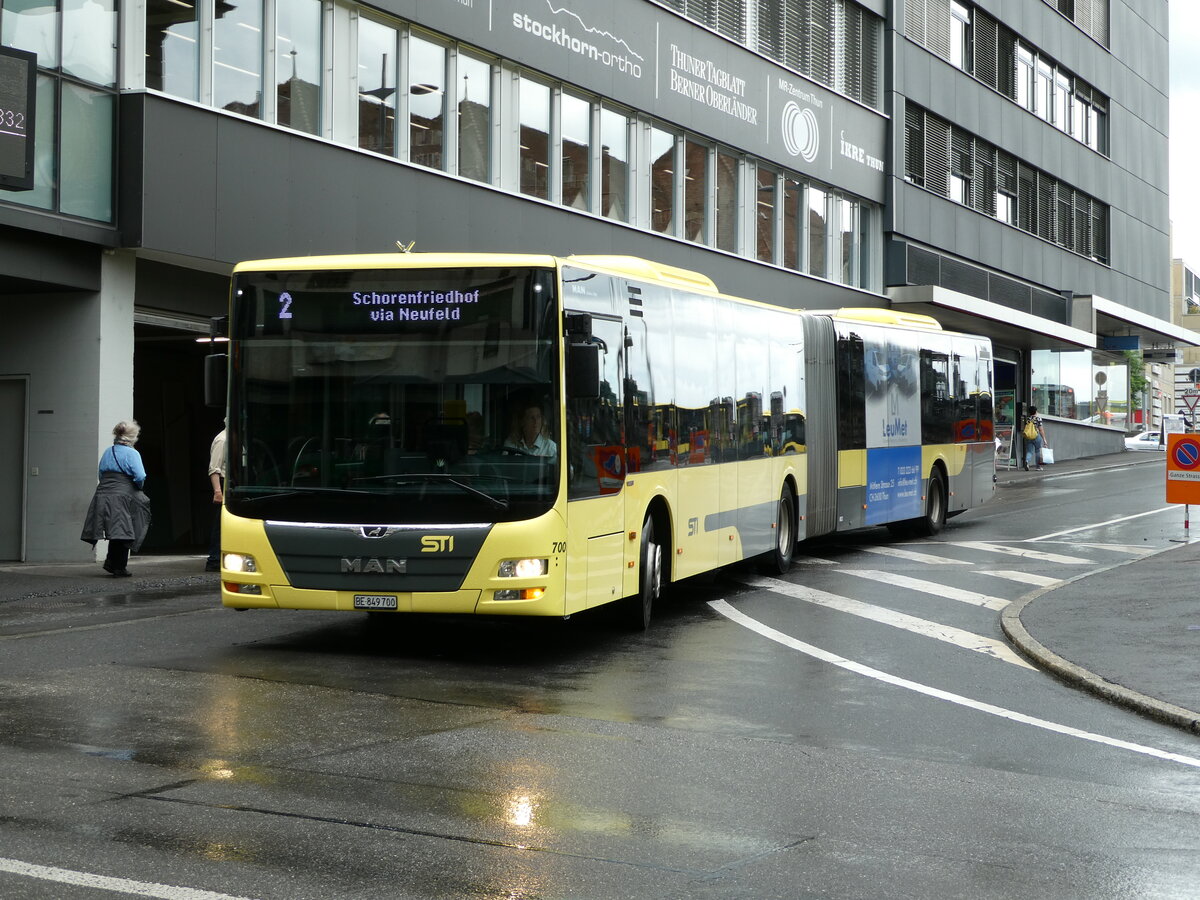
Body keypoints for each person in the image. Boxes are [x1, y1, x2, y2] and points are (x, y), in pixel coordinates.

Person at [80, 420, 151, 577]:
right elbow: (140, 475)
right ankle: (118, 566)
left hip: (103, 493)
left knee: (116, 530)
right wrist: (137, 487)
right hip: (123, 495)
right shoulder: (132, 453)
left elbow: (101, 474)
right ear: (132, 437)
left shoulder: (108, 451)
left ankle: (112, 562)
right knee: (126, 529)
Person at [205, 422, 226, 572]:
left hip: (230, 482)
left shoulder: (232, 438)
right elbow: (214, 468)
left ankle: (217, 559)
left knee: (222, 523)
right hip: (224, 483)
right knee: (220, 524)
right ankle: (214, 559)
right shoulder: (222, 440)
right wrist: (218, 491)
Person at [1022, 405, 1049, 471]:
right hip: (1036, 436)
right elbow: (1041, 429)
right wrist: (1044, 440)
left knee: (1029, 451)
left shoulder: (1028, 419)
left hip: (1028, 437)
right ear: (1036, 411)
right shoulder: (1038, 418)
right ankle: (1038, 466)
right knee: (1037, 451)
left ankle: (1027, 461)